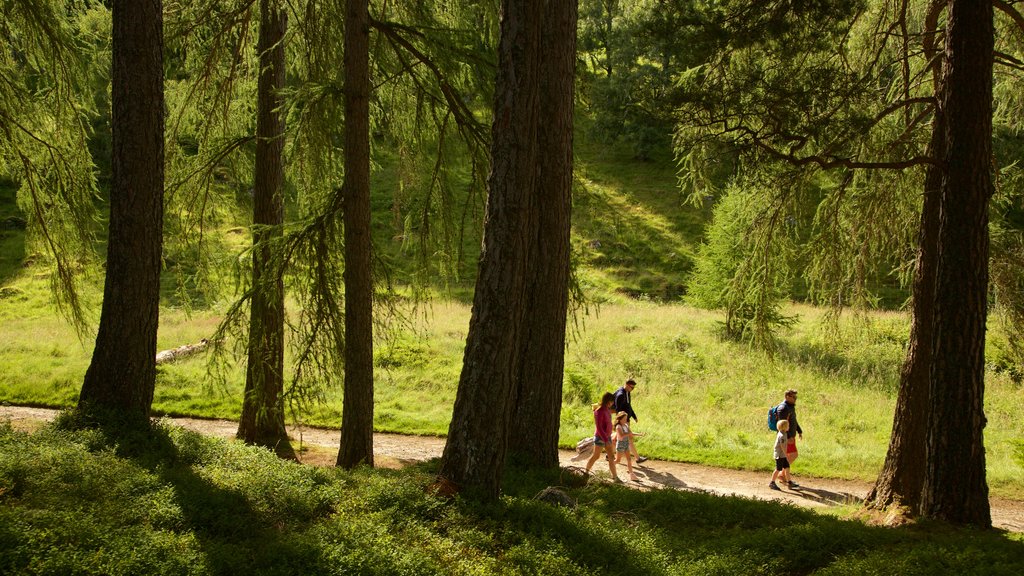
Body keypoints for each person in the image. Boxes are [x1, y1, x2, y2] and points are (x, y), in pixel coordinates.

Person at [585, 392, 619, 481]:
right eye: (612, 402)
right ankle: (586, 472)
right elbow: (599, 427)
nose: (612, 404)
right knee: (596, 456)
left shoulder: (607, 409)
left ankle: (615, 477)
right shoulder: (599, 411)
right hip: (600, 438)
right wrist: (605, 440)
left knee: (611, 457)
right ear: (608, 401)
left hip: (607, 437)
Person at [613, 379, 647, 463]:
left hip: (626, 420)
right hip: (623, 421)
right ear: (627, 385)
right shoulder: (621, 395)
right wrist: (622, 423)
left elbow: (629, 406)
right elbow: (618, 410)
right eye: (632, 387)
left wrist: (634, 416)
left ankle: (609, 454)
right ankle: (637, 458)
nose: (632, 389)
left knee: (617, 438)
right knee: (629, 438)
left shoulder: (627, 392)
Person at [775, 389, 803, 488]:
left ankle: (782, 475)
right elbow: (782, 425)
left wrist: (799, 430)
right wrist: (789, 437)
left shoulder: (790, 407)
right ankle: (781, 475)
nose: (795, 399)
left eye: (796, 397)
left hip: (790, 436)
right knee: (792, 455)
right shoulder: (783, 408)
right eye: (793, 397)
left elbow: (793, 420)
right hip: (786, 437)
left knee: (790, 455)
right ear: (787, 396)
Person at [613, 411, 643, 481]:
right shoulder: (618, 427)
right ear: (620, 419)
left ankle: (632, 475)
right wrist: (628, 433)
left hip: (626, 444)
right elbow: (621, 436)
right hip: (620, 444)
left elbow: (631, 433)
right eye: (624, 419)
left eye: (626, 418)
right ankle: (611, 467)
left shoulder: (626, 425)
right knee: (617, 460)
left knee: (629, 459)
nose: (625, 420)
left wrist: (639, 434)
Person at [769, 419, 791, 490]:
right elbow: (782, 446)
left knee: (787, 467)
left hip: (783, 455)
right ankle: (772, 482)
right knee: (778, 469)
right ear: (784, 427)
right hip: (780, 455)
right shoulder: (782, 435)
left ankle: (789, 482)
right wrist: (786, 454)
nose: (789, 426)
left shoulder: (784, 433)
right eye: (787, 425)